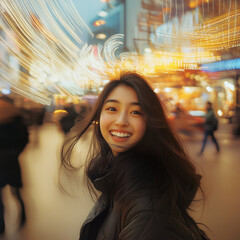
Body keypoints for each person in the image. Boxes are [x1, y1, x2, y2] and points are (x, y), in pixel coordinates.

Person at [61, 72, 210, 240]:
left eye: (136, 112)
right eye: (112, 109)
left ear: (150, 121)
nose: (121, 121)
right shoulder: (121, 178)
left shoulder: (150, 214)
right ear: (99, 115)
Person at [0, 96, 29, 235]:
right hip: (12, 160)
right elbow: (24, 138)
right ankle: (23, 215)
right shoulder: (17, 118)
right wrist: (16, 152)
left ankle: (1, 226)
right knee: (16, 192)